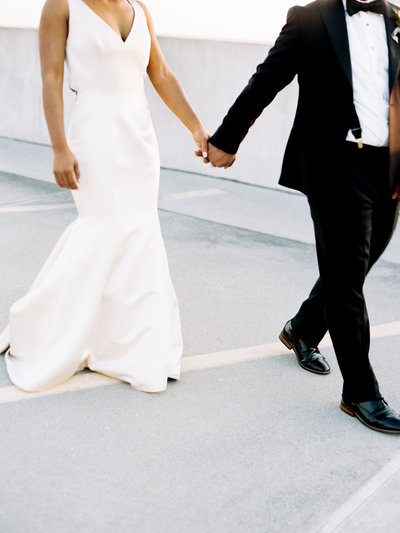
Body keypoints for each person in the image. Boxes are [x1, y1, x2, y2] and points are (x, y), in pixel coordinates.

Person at [203, 0, 400, 433]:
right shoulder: (311, 18)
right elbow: (267, 79)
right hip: (335, 163)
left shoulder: (395, 18)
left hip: (387, 166)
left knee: (357, 265)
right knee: (347, 278)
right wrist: (227, 138)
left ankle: (303, 328)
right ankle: (361, 392)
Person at [0, 0, 209, 393]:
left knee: (140, 231)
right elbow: (50, 77)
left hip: (139, 136)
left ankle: (131, 340)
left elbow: (161, 73)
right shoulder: (61, 6)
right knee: (101, 227)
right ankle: (57, 330)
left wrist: (196, 129)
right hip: (94, 134)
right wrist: (59, 147)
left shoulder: (139, 9)